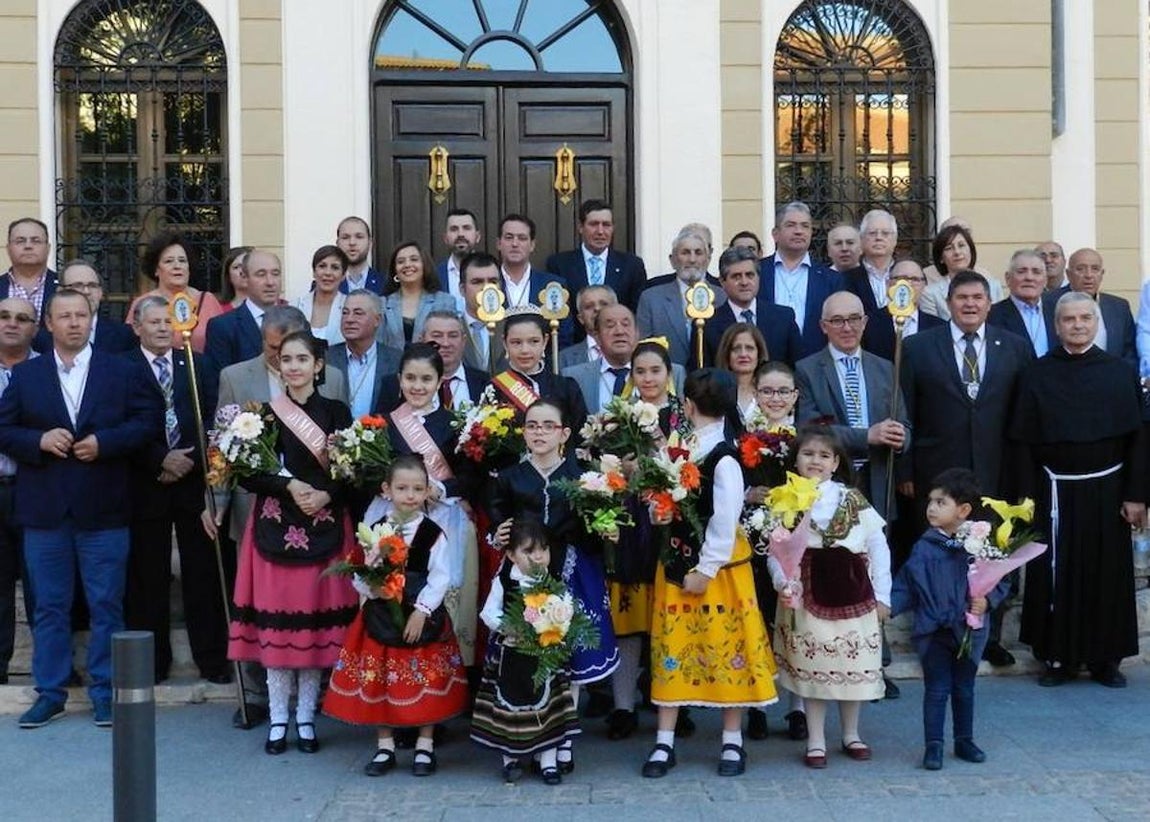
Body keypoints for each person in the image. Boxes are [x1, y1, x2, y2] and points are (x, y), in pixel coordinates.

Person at [0, 288, 163, 728]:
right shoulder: (28, 376)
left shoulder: (121, 371)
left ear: (93, 319)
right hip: (45, 513)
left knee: (106, 604)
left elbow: (149, 420)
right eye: (64, 316)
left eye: (81, 314)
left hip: (104, 509)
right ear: (47, 325)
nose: (74, 322)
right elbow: (3, 428)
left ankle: (105, 691)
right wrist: (37, 441)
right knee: (50, 607)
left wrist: (106, 443)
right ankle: (49, 692)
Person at [205, 306, 349, 729]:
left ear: (318, 365)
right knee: (278, 627)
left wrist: (325, 493)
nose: (294, 366)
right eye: (286, 359)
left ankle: (306, 716)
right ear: (277, 364)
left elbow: (351, 470)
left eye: (302, 359)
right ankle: (279, 718)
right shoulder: (261, 414)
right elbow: (249, 472)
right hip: (273, 526)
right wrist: (287, 487)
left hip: (323, 525)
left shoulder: (337, 412)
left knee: (309, 629)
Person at [641, 368, 777, 779]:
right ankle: (664, 740)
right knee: (673, 647)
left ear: (687, 405)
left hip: (718, 570)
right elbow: (663, 501)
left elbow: (725, 518)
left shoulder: (725, 458)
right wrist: (658, 509)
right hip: (675, 560)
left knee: (727, 646)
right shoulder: (678, 451)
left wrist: (706, 568)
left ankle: (731, 740)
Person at [1011, 292, 1147, 688]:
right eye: (1068, 319)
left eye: (1085, 318)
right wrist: (1026, 500)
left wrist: (1137, 496)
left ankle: (1107, 659)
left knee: (1106, 575)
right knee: (1056, 574)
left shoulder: (1120, 373)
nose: (1077, 325)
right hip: (1054, 492)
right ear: (1057, 326)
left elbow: (1138, 438)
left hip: (1108, 490)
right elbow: (1022, 442)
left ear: (1097, 322)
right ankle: (1058, 658)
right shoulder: (1037, 373)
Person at [899, 271, 1033, 668]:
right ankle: (935, 632)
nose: (970, 304)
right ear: (948, 302)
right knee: (941, 555)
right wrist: (906, 469)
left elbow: (1022, 417)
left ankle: (989, 635)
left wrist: (1022, 479)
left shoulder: (1015, 348)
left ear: (990, 302)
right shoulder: (919, 347)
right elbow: (906, 412)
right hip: (938, 470)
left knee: (993, 551)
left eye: (978, 297)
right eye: (962, 298)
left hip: (996, 470)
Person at [488, 398, 620, 773]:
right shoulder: (511, 477)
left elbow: (596, 526)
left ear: (564, 433)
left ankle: (563, 738)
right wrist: (496, 533)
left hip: (573, 572)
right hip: (525, 576)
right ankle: (526, 735)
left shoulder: (584, 476)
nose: (539, 432)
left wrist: (605, 529)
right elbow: (498, 522)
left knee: (569, 657)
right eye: (532, 426)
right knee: (529, 654)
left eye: (548, 426)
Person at [324, 454, 470, 777]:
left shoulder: (433, 533)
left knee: (424, 680)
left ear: (426, 492)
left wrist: (422, 611)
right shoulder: (374, 531)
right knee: (383, 681)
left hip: (422, 615)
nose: (410, 495)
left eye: (418, 489)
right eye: (402, 488)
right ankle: (385, 747)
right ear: (386, 490)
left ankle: (425, 746)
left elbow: (441, 576)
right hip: (381, 616)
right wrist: (372, 588)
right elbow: (359, 572)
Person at [770, 426, 890, 769]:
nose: (815, 461)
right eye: (808, 454)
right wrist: (782, 581)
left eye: (824, 456)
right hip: (804, 590)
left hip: (853, 589)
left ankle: (851, 733)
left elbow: (878, 546)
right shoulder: (784, 498)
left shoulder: (852, 499)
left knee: (851, 666)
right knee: (814, 670)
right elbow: (774, 550)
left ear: (836, 463)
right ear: (796, 459)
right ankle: (816, 738)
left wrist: (883, 595)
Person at [124, 295, 228, 685]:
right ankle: (152, 663)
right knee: (148, 577)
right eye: (153, 322)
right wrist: (159, 460)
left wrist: (190, 461)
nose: (163, 328)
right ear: (137, 327)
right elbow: (119, 422)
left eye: (168, 321)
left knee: (201, 574)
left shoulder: (196, 364)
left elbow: (216, 420)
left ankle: (212, 658)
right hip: (146, 484)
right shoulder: (122, 369)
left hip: (193, 484)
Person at [891, 468, 1010, 770]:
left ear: (963, 510)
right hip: (933, 631)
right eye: (930, 501)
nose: (931, 507)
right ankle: (934, 744)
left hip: (969, 629)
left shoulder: (982, 545)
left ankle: (964, 740)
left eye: (940, 502)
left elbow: (1002, 579)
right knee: (936, 689)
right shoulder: (924, 547)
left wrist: (988, 599)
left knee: (964, 687)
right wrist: (885, 607)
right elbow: (907, 584)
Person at [372, 344, 480, 667]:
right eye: (410, 378)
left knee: (444, 596)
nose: (417, 386)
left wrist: (440, 487)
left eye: (426, 379)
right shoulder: (382, 423)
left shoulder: (456, 423)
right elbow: (371, 474)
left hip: (444, 518)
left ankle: (444, 680)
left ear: (439, 381)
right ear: (399, 379)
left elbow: (471, 477)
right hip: (393, 519)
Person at [471, 517, 580, 785]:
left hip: (545, 658)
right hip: (511, 656)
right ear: (511, 554)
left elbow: (566, 612)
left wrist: (557, 623)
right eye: (529, 551)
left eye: (543, 549)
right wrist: (509, 628)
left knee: (548, 710)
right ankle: (511, 760)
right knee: (512, 709)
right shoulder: (505, 581)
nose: (539, 556)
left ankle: (548, 762)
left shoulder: (553, 581)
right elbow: (487, 613)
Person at [795, 291, 909, 524]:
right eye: (837, 320)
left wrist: (900, 438)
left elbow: (904, 424)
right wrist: (867, 436)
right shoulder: (807, 369)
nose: (847, 327)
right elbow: (810, 429)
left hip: (877, 479)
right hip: (831, 479)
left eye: (854, 319)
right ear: (823, 326)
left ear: (865, 322)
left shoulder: (885, 368)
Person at [740, 360, 804, 742]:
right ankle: (757, 705)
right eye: (767, 391)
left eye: (783, 391)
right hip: (753, 538)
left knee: (794, 620)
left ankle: (797, 708)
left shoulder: (805, 439)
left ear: (794, 395)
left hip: (794, 538)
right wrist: (749, 494)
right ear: (755, 393)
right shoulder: (741, 438)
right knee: (758, 619)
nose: (775, 398)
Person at [0, 297, 38, 685]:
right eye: (4, 316)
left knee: (41, 586)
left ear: (35, 327)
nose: (12, 324)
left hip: (35, 489)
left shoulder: (47, 369)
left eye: (22, 319)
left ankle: (48, 671)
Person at [757, 202, 843, 358]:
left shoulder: (830, 279)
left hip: (815, 365)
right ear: (775, 234)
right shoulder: (757, 272)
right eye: (791, 225)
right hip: (766, 361)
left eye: (805, 226)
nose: (798, 231)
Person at [486, 310, 587, 439]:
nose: (525, 350)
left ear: (545, 341)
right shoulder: (494, 389)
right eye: (516, 342)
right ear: (505, 343)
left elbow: (580, 436)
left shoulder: (566, 387)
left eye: (534, 341)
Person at [636, 229, 725, 367]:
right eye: (685, 252)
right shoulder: (651, 299)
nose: (692, 259)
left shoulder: (722, 296)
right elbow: (643, 348)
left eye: (698, 252)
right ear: (672, 260)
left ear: (708, 260)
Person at [545, 198, 647, 318]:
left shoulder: (632, 265)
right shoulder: (559, 264)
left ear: (613, 228)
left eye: (606, 225)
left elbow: (637, 311)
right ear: (580, 227)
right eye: (593, 224)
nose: (600, 231)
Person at [703, 245, 802, 367]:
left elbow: (799, 367)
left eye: (750, 275)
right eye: (736, 276)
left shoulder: (783, 317)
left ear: (758, 277)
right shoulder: (707, 324)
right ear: (722, 282)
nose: (744, 282)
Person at [1042, 248, 1136, 368]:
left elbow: (1129, 351)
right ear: (1068, 274)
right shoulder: (1047, 303)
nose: (1088, 275)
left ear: (1102, 274)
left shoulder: (1118, 307)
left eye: (1095, 269)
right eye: (1080, 269)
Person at [131, 231, 224, 353]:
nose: (177, 266)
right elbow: (132, 345)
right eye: (169, 261)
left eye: (182, 260)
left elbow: (223, 343)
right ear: (156, 270)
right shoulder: (142, 303)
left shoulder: (208, 300)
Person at [496, 213, 574, 346]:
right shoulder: (488, 283)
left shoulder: (552, 285)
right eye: (509, 237)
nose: (515, 244)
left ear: (532, 245)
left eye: (522, 238)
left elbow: (564, 335)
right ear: (499, 244)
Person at [324, 290, 403, 421]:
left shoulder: (396, 360)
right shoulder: (326, 358)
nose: (349, 319)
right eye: (345, 313)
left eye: (358, 313)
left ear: (377, 320)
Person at [204, 249, 284, 373]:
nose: (270, 282)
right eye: (261, 274)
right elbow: (218, 383)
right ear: (245, 278)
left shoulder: (296, 319)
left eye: (275, 273)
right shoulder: (223, 327)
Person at [860, 259, 946, 362]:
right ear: (888, 284)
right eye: (901, 279)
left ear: (924, 286)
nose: (908, 284)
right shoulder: (869, 323)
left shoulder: (939, 327)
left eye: (915, 279)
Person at [379, 241, 455, 350]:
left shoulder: (445, 301)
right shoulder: (382, 304)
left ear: (424, 265)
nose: (407, 265)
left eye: (414, 259)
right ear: (395, 270)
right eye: (401, 262)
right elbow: (379, 346)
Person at [918, 224, 1003, 320]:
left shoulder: (993, 286)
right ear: (941, 258)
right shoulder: (931, 293)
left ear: (971, 250)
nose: (957, 252)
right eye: (949, 248)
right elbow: (931, 329)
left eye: (961, 245)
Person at [52, 261, 136, 354]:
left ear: (100, 292)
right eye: (77, 285)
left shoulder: (125, 336)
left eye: (92, 285)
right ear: (60, 291)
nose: (86, 291)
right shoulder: (44, 338)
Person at [987, 249, 1055, 357]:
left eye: (1036, 272)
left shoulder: (1058, 312)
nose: (1029, 277)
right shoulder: (991, 316)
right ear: (1008, 278)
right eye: (1021, 271)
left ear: (1045, 280)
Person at [418, 310, 489, 412]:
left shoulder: (485, 383)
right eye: (437, 336)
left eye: (453, 336)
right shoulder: (400, 386)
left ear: (463, 341)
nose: (446, 343)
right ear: (422, 340)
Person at [0, 218, 56, 327]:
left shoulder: (64, 287)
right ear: (8, 248)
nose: (28, 246)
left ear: (48, 248)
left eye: (36, 241)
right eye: (20, 241)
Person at [458, 252, 507, 372]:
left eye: (493, 281)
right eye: (477, 282)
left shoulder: (511, 328)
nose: (486, 288)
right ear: (462, 289)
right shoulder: (451, 331)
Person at [843, 209, 899, 314]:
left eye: (885, 233)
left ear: (895, 240)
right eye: (872, 233)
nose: (878, 238)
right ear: (861, 239)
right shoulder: (845, 279)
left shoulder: (908, 276)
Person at [715, 322, 769, 426]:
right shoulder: (715, 393)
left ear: (759, 353)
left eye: (749, 348)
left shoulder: (770, 392)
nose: (743, 354)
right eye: (736, 349)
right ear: (726, 354)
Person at [293, 245, 348, 346]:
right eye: (322, 266)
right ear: (314, 272)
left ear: (343, 275)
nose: (328, 273)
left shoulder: (350, 307)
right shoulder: (295, 307)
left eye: (335, 267)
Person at [558, 285, 616, 369]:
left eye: (604, 304)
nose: (597, 308)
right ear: (581, 318)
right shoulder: (564, 358)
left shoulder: (634, 352)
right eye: (589, 306)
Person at [435, 208, 482, 311]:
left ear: (477, 236)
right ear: (445, 238)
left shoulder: (494, 274)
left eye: (466, 228)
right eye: (454, 229)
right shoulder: (433, 276)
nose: (460, 234)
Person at [336, 216, 383, 295]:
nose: (352, 242)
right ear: (337, 244)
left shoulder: (386, 284)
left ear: (370, 243)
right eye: (345, 237)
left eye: (359, 237)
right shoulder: (324, 284)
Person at [218, 245, 253, 310]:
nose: (243, 271)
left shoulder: (274, 306)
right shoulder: (219, 310)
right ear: (228, 276)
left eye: (247, 265)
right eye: (236, 267)